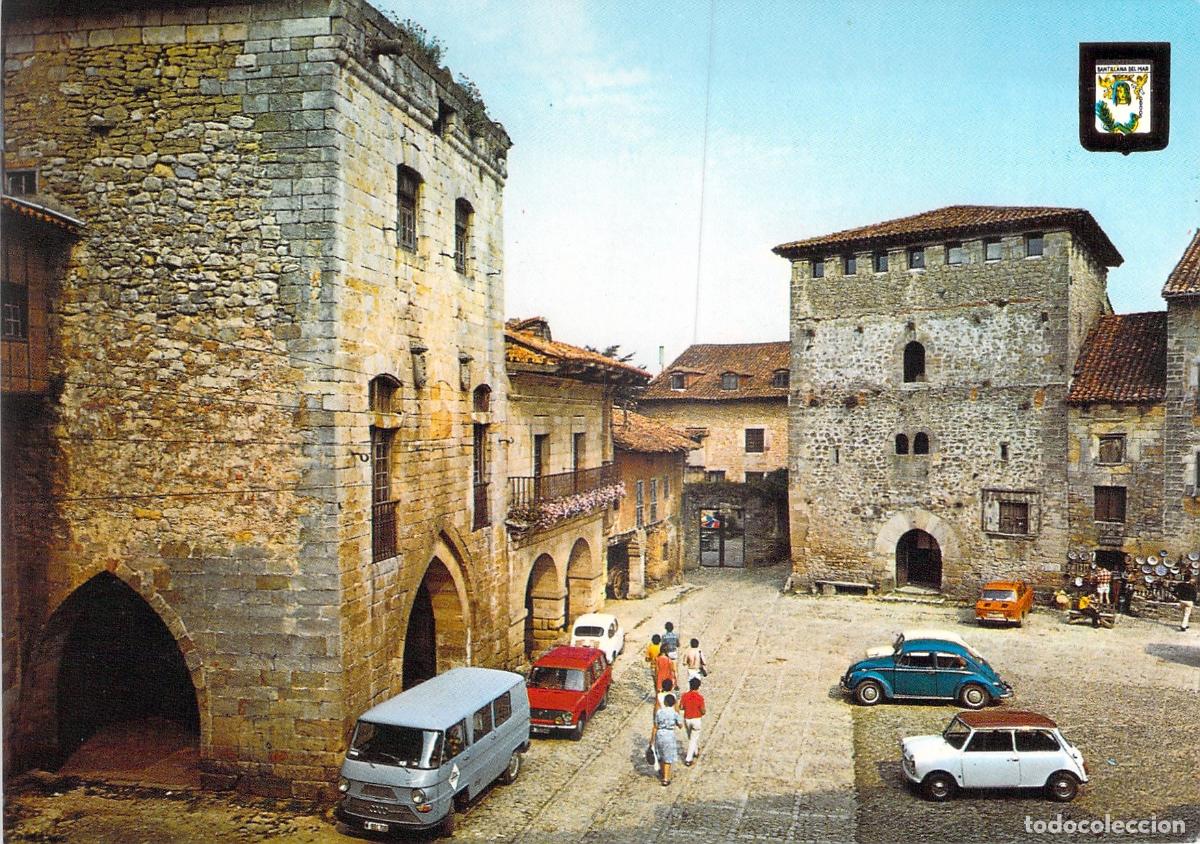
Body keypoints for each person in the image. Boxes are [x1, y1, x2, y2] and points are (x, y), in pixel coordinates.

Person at [650, 693, 682, 786]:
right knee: (668, 756)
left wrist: (651, 740)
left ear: (665, 702)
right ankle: (666, 778)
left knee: (660, 754)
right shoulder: (674, 713)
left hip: (660, 734)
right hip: (669, 734)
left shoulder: (659, 712)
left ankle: (662, 771)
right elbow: (680, 725)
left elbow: (655, 726)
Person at [679, 677, 706, 766]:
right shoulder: (700, 697)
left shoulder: (684, 696)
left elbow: (681, 707)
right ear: (698, 686)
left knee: (691, 737)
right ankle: (688, 759)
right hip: (696, 719)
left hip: (687, 719)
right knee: (693, 738)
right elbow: (703, 711)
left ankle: (696, 751)